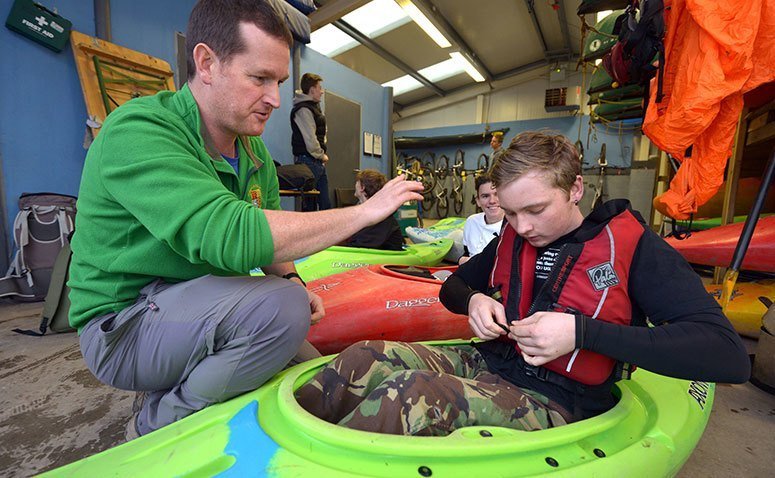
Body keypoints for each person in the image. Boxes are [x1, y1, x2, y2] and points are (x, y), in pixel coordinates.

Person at [69, 0, 423, 440]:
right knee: (279, 313)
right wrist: (364, 212)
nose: (275, 99)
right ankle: (158, 422)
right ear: (206, 63)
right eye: (260, 78)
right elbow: (229, 234)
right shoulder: (138, 131)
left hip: (190, 303)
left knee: (314, 372)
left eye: (279, 81)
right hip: (124, 327)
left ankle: (197, 377)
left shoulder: (253, 153)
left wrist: (293, 280)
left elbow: (269, 244)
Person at [294, 131, 750, 436]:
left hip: (559, 397)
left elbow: (727, 355)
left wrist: (581, 333)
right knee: (366, 355)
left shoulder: (633, 247)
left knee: (410, 393)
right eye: (510, 213)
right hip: (492, 362)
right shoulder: (512, 237)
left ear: (574, 190)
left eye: (534, 210)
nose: (522, 226)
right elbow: (453, 288)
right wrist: (471, 300)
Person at [291, 72, 331, 211]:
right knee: (310, 207)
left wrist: (321, 157)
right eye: (320, 88)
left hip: (317, 162)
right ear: (312, 90)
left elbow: (320, 133)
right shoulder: (303, 110)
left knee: (325, 204)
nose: (322, 92)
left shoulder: (314, 108)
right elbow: (310, 139)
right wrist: (321, 155)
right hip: (308, 162)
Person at [345, 169, 404, 250]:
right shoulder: (367, 211)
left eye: (357, 182)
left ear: (362, 187)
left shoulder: (380, 217)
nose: (355, 184)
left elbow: (359, 248)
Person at [458, 173, 504, 264]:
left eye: (497, 194)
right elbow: (467, 253)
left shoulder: (513, 227)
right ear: (478, 201)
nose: (492, 201)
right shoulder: (472, 222)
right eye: (485, 196)